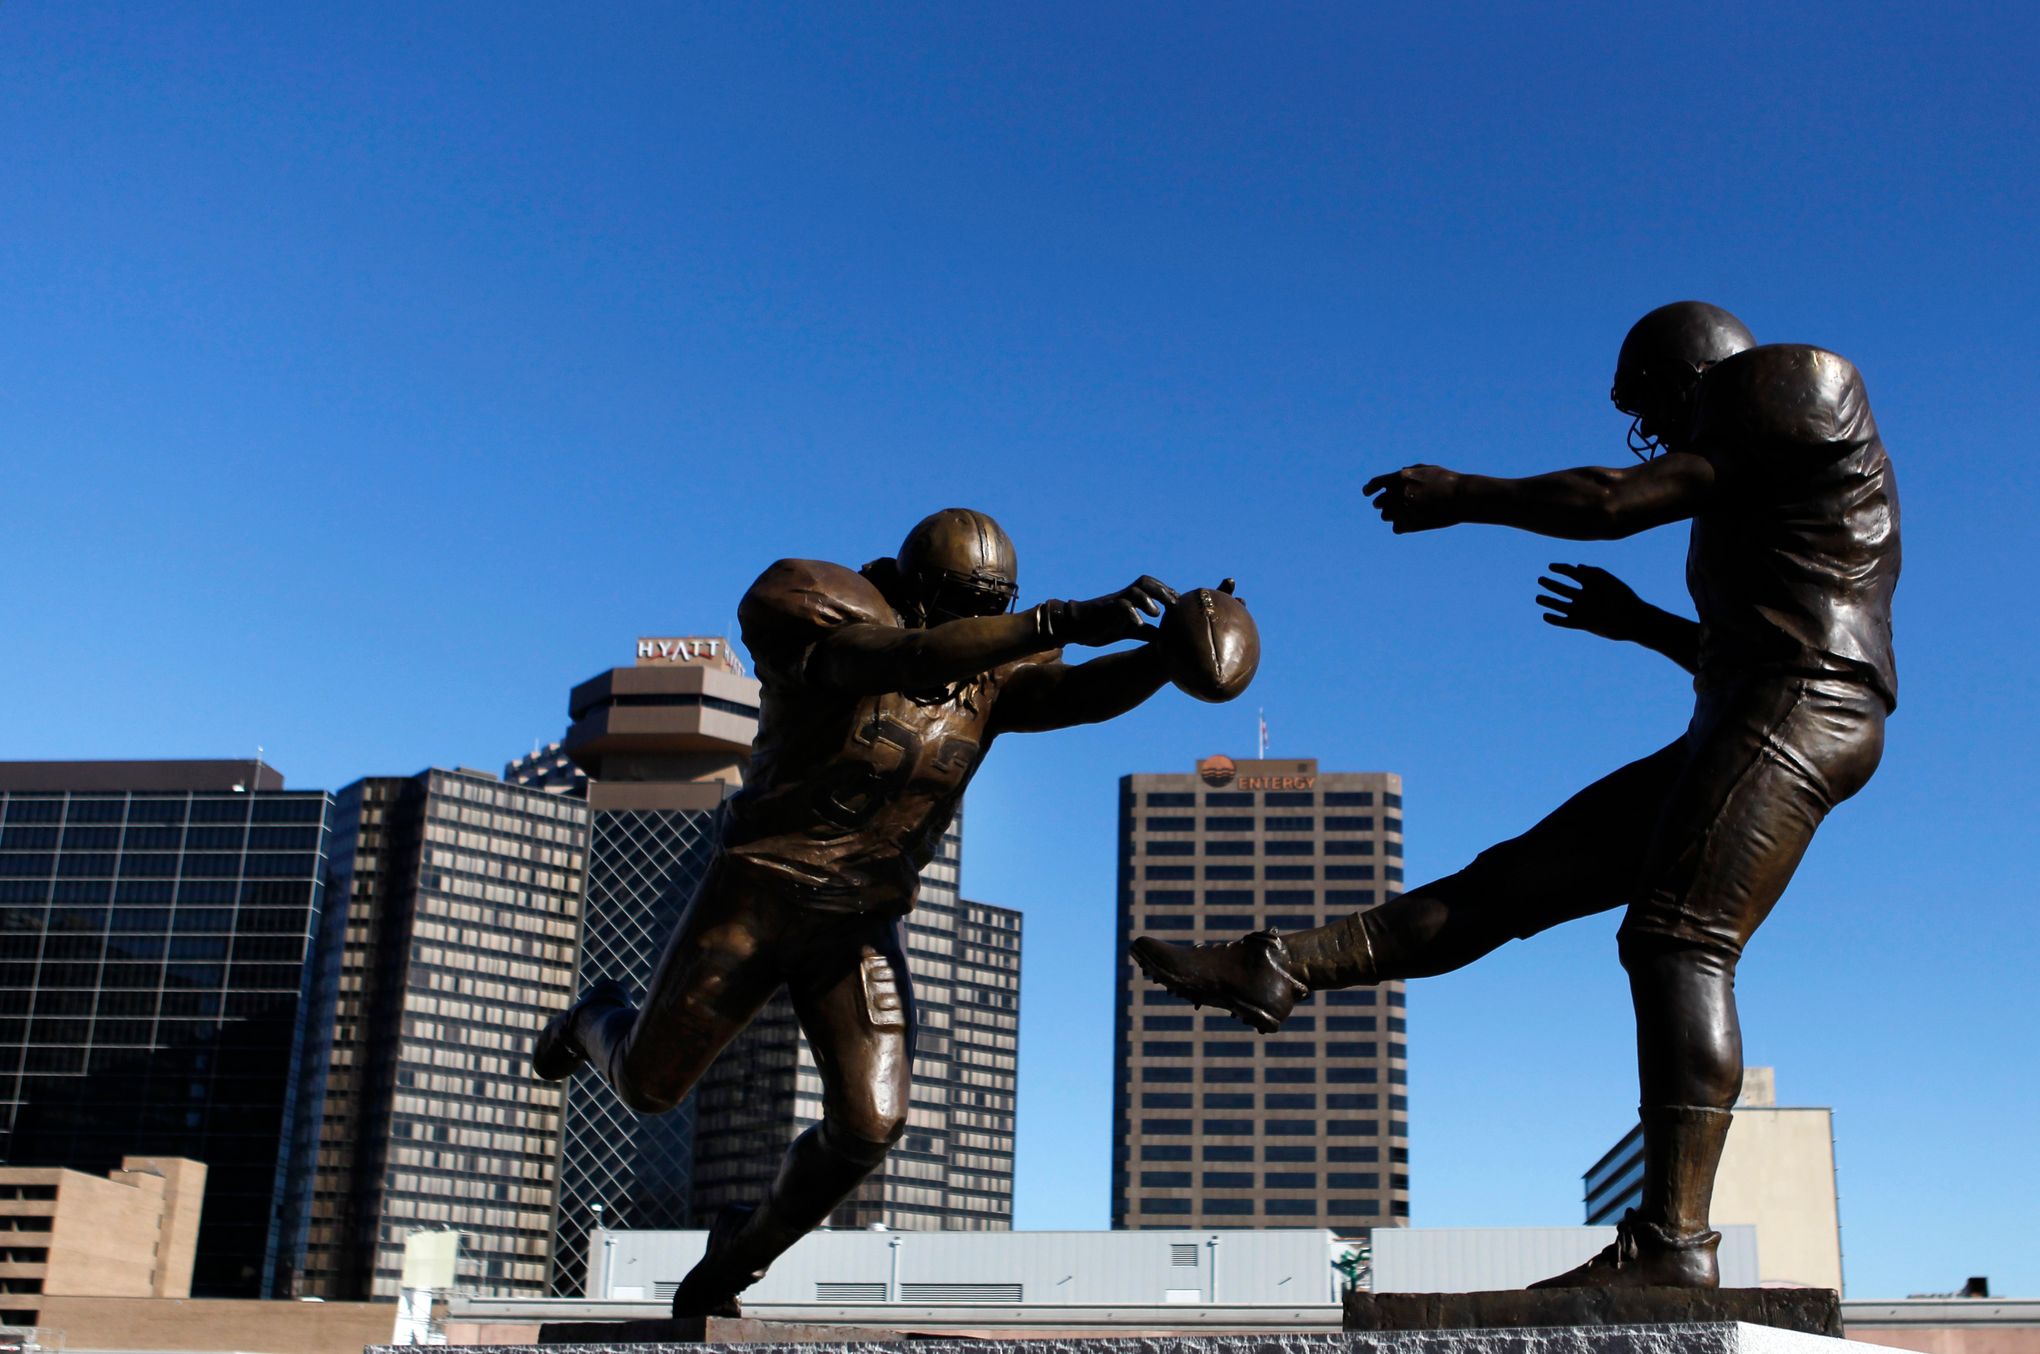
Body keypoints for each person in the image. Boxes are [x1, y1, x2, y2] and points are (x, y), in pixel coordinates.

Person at [1132, 302, 1898, 1289]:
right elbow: (1742, 637)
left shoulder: (1801, 382)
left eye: (1651, 404)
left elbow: (1616, 501)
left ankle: (1674, 1245)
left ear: (1689, 376)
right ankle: (1275, 965)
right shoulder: (1746, 482)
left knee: (1678, 937)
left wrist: (1463, 492)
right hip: (1755, 704)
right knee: (1516, 880)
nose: (1652, 431)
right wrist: (1641, 626)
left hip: (1803, 709)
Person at [536, 507, 1215, 1316]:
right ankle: (598, 1014)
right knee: (649, 1090)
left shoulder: (995, 669)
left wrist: (1167, 656)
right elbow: (898, 656)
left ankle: (735, 1260)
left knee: (871, 1123)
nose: (977, 623)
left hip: (857, 918)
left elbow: (1074, 692)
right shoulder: (815, 603)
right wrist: (1056, 620)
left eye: (990, 605)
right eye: (964, 602)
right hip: (758, 894)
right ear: (917, 588)